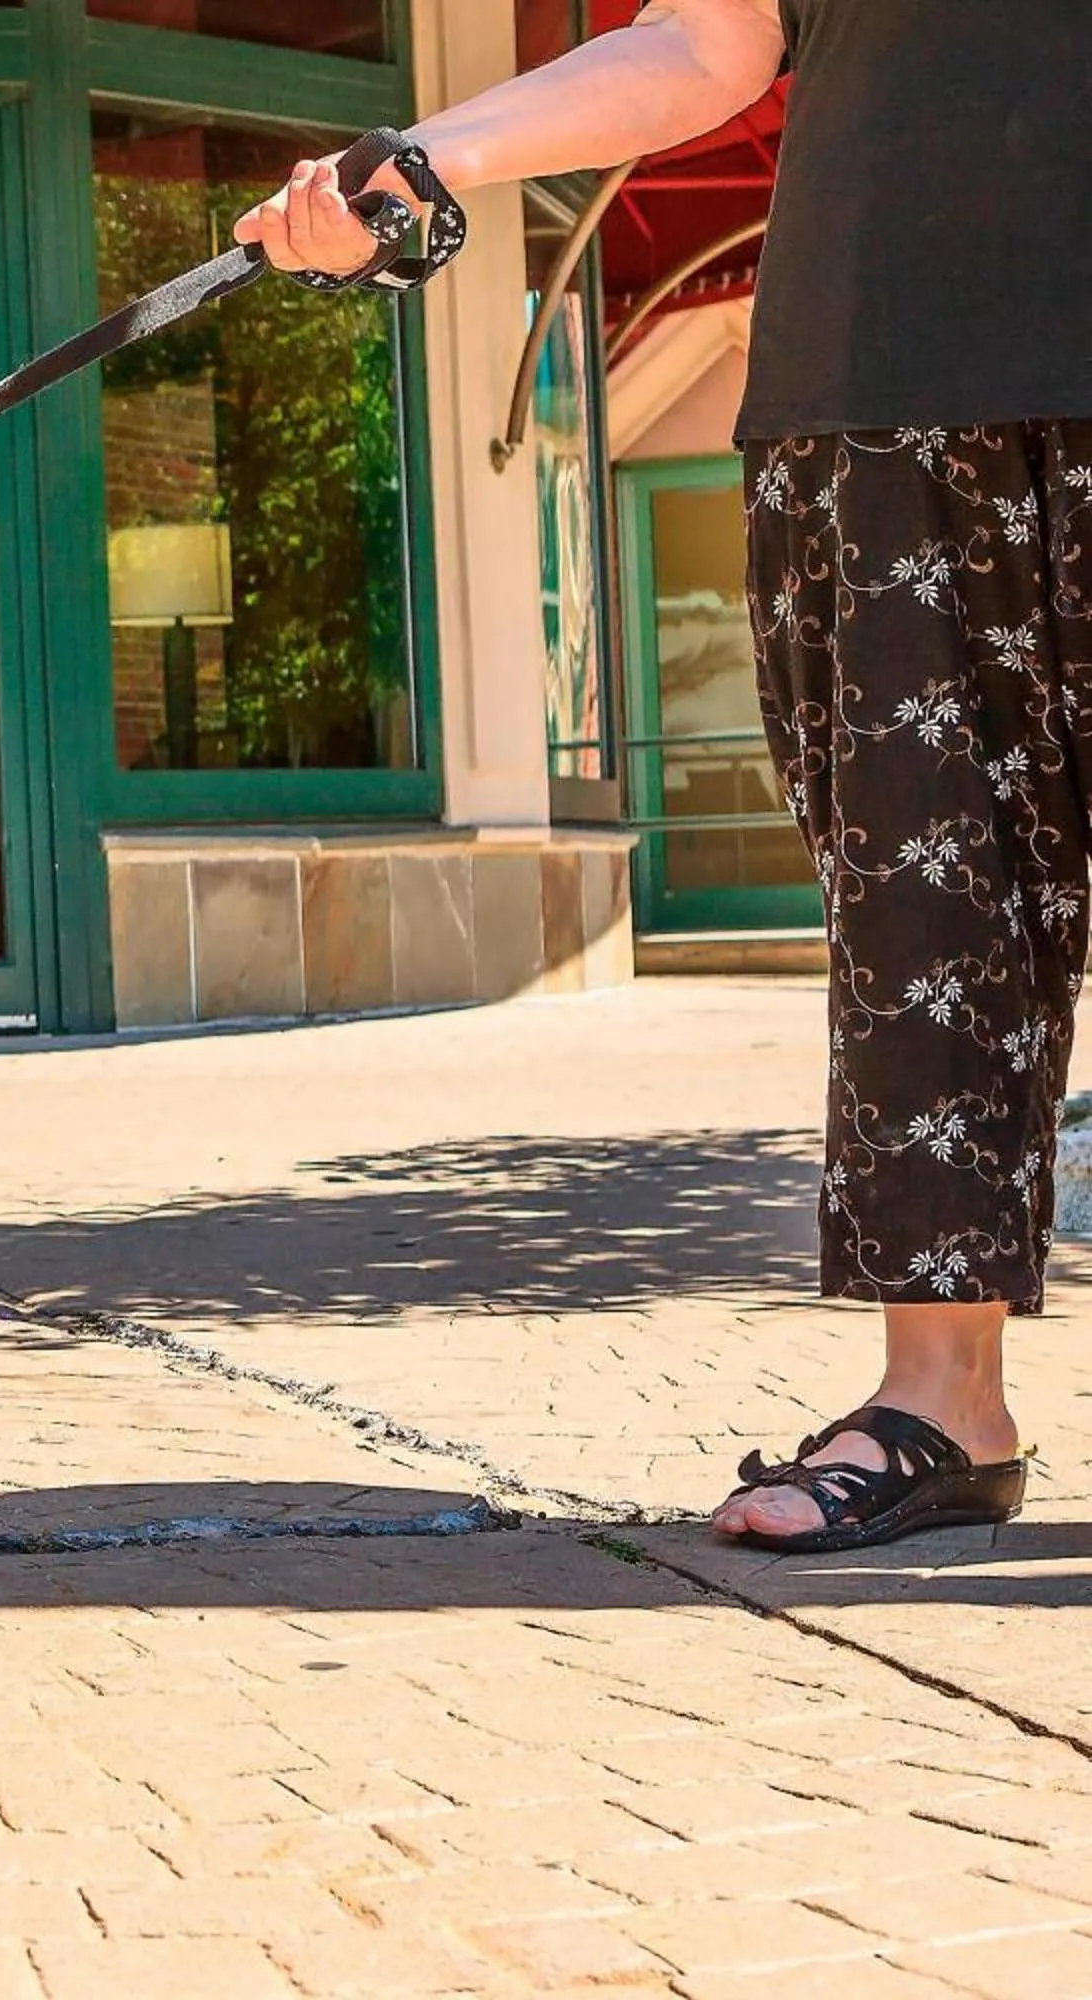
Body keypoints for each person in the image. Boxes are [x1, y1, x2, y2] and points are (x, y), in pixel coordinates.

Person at [238, 0, 1092, 1552]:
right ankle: (944, 1404)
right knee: (925, 935)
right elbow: (711, 41)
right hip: (873, 394)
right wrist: (425, 156)